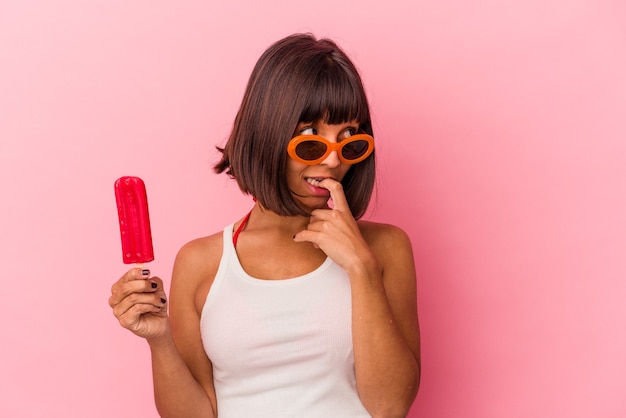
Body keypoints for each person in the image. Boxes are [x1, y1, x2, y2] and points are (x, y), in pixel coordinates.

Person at [109, 33, 421, 418]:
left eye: (349, 142)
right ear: (268, 136)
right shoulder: (201, 262)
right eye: (310, 143)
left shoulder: (385, 247)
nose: (332, 163)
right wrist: (159, 341)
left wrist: (361, 268)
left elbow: (390, 407)